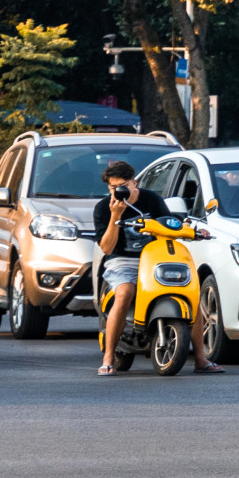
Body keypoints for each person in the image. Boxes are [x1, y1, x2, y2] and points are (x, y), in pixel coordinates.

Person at [93, 160, 221, 375]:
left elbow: (170, 223)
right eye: (114, 188)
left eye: (123, 185)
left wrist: (194, 231)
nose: (119, 191)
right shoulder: (103, 208)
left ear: (135, 183)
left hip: (155, 258)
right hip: (122, 260)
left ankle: (201, 359)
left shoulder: (151, 199)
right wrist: (115, 215)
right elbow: (106, 248)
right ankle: (108, 358)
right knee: (124, 292)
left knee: (192, 295)